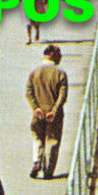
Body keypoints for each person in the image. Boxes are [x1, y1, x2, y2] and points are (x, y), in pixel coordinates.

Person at [26, 45, 68, 179]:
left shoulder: (34, 73)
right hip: (54, 115)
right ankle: (48, 171)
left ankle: (36, 162)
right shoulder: (60, 73)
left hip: (38, 114)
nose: (61, 57)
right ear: (51, 55)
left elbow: (29, 92)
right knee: (52, 141)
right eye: (58, 54)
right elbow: (62, 95)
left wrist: (36, 108)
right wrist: (54, 110)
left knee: (37, 138)